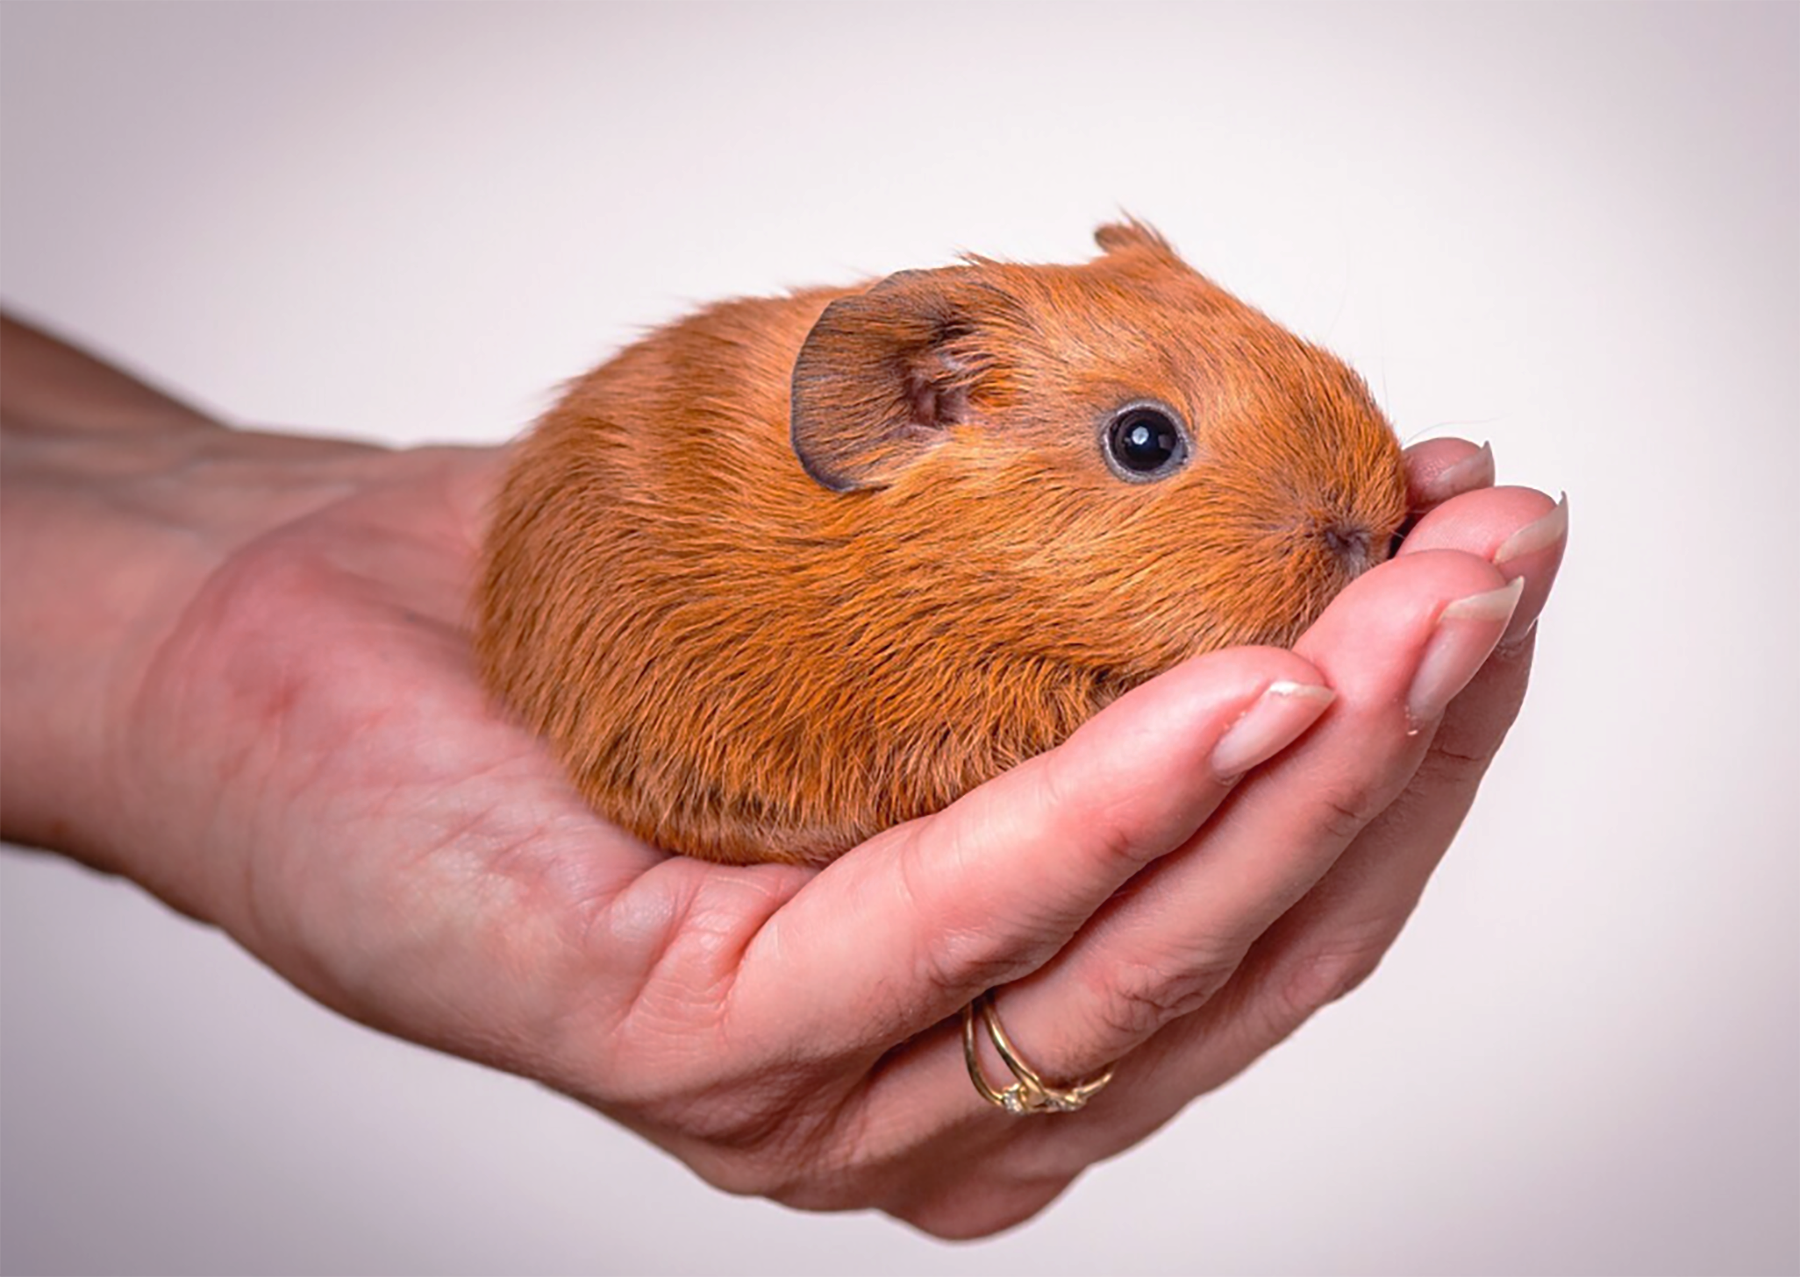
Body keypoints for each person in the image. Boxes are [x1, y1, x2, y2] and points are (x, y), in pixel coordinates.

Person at [0, 309, 1566, 1238]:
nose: (1347, 525)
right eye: (1148, 446)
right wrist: (150, 654)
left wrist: (178, 507)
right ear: (923, 404)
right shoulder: (838, 600)